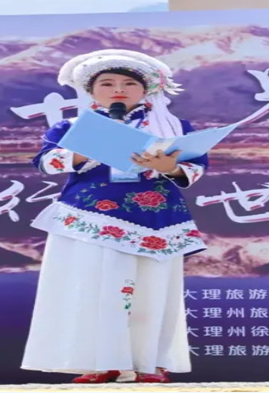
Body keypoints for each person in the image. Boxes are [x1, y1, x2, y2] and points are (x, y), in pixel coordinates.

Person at [21, 49, 208, 384]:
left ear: (145, 90)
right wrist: (86, 149)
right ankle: (99, 361)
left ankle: (150, 363)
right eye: (107, 83)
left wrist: (170, 166)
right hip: (91, 217)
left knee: (151, 290)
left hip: (156, 217)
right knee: (94, 288)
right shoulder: (72, 126)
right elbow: (46, 161)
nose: (118, 89)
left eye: (128, 83)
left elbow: (194, 168)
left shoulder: (172, 126)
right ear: (91, 91)